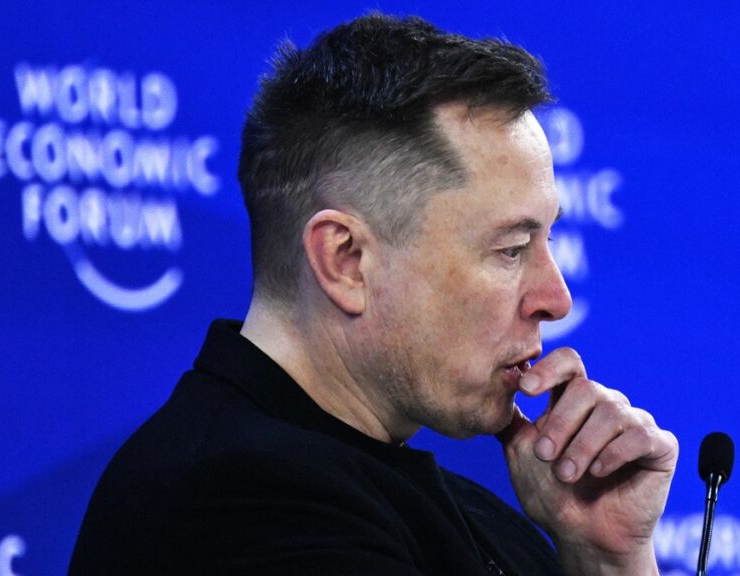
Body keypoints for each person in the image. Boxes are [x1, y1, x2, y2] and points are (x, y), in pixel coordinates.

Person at [70, 13, 678, 576]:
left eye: (548, 240)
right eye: (511, 249)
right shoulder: (239, 508)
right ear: (346, 261)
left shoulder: (473, 514)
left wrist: (606, 559)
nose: (557, 298)